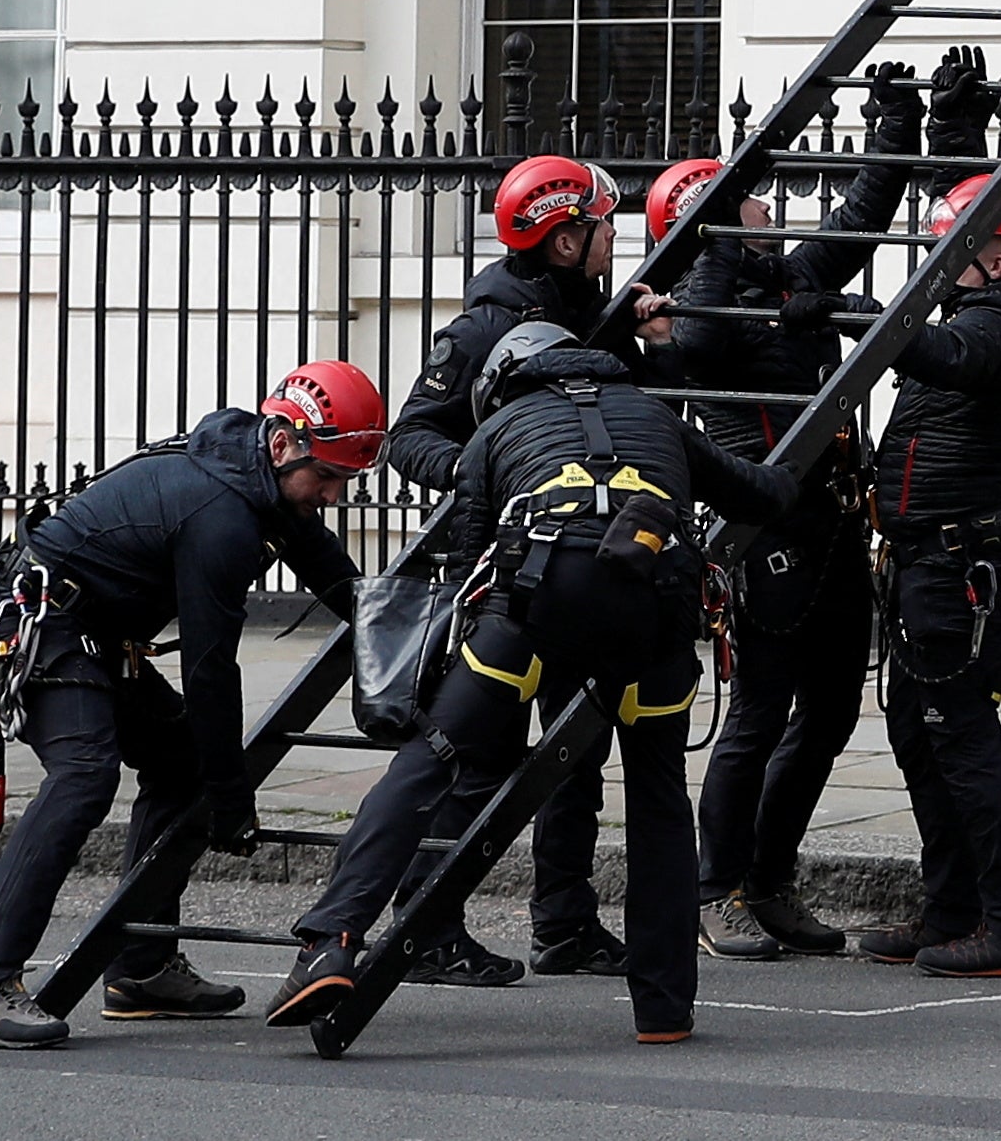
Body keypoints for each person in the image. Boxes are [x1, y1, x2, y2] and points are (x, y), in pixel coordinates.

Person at [270, 318, 787, 1047]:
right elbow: (765, 494)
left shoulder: (500, 428)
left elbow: (471, 562)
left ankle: (331, 937)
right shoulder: (654, 416)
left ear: (502, 383)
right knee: (660, 794)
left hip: (540, 602)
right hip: (657, 605)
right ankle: (664, 1008)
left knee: (429, 760)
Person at [661, 51, 998, 960]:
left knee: (834, 710)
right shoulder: (708, 299)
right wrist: (723, 232)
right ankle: (717, 888)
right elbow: (700, 335)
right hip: (764, 531)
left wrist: (892, 126)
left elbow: (857, 221)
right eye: (753, 202)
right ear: (715, 218)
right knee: (761, 712)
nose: (772, 211)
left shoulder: (778, 279)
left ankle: (770, 880)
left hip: (838, 524)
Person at [0, 361, 374, 1050]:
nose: (334, 496)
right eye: (327, 478)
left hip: (93, 628)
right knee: (85, 773)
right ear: (285, 442)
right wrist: (232, 799)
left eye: (346, 481)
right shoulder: (223, 516)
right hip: (38, 616)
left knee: (180, 765)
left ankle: (140, 968)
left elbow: (342, 584)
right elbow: (208, 673)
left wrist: (414, 627)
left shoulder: (263, 485)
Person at [383, 150, 673, 977]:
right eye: (600, 225)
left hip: (582, 560)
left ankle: (565, 924)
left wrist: (650, 343)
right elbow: (411, 437)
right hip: (505, 570)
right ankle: (427, 929)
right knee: (479, 757)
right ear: (561, 240)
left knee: (575, 752)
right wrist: (495, 468)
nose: (615, 235)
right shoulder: (484, 327)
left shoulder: (594, 311)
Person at [855, 165, 1001, 976]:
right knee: (920, 736)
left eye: (955, 251)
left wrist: (860, 318)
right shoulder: (985, 309)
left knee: (963, 742)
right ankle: (952, 908)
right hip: (923, 563)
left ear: (999, 257)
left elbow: (947, 356)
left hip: (956, 568)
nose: (939, 263)